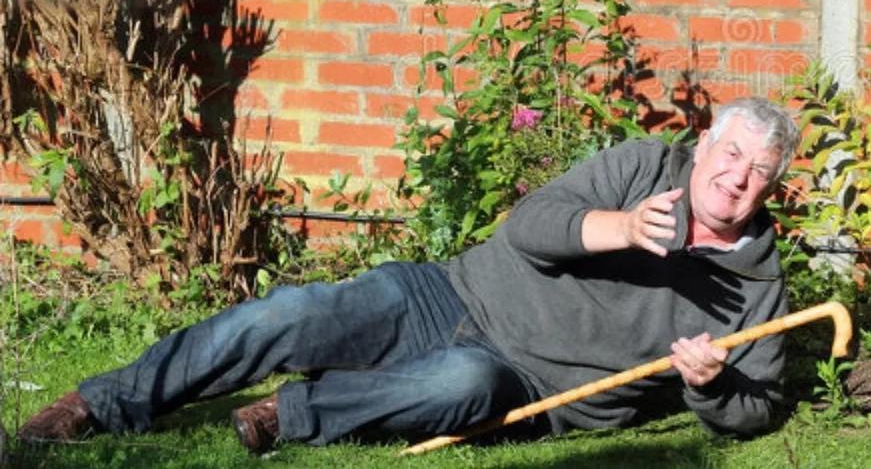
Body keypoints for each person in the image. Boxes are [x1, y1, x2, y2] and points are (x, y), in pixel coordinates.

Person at [18, 97, 799, 453]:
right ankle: (102, 402)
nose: (736, 178)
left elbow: (755, 409)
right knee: (284, 315)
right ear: (703, 148)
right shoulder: (640, 168)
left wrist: (706, 388)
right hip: (451, 290)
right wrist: (620, 229)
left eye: (758, 171)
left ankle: (290, 414)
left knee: (453, 387)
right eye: (730, 155)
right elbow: (526, 227)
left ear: (770, 186)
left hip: (520, 379)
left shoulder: (756, 283)